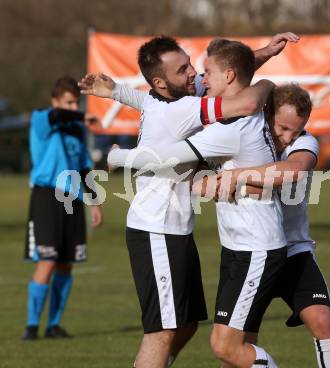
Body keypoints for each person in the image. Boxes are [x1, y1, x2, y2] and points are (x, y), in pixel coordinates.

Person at [79, 33, 298, 368]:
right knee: (163, 331)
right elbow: (245, 101)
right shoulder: (185, 108)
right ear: (160, 81)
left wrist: (117, 92)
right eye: (183, 69)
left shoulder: (164, 98)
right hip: (156, 228)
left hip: (175, 231)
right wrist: (267, 83)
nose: (194, 73)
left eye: (193, 66)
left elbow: (232, 72)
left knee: (185, 325)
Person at [213, 84, 330, 368]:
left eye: (296, 131)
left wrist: (236, 176)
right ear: (267, 113)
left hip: (292, 249)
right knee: (237, 348)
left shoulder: (305, 143)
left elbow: (293, 171)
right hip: (249, 252)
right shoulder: (246, 137)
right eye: (283, 127)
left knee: (322, 320)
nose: (288, 138)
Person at [22, 76, 103, 340]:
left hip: (73, 200)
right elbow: (58, 115)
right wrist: (82, 116)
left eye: (75, 102)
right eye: (67, 102)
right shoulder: (42, 118)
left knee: (67, 263)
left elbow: (83, 168)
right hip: (46, 197)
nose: (71, 107)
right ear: (55, 101)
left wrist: (93, 202)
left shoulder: (77, 130)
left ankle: (53, 325)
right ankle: (32, 326)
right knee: (47, 261)